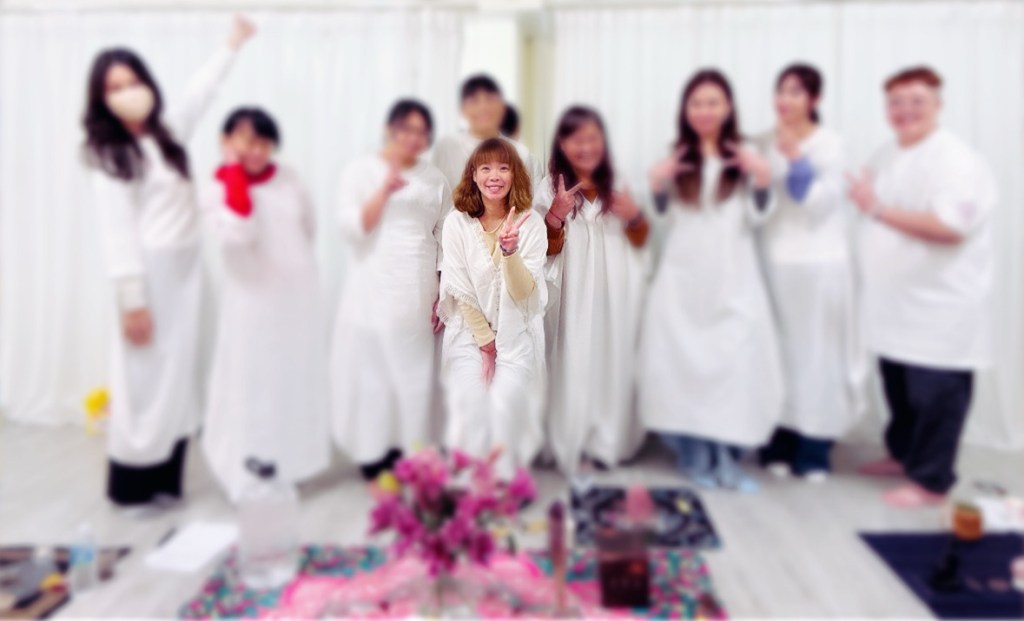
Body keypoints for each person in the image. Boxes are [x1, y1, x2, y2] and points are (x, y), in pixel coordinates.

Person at [82, 16, 254, 508]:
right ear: (102, 100)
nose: (127, 93)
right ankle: (132, 484)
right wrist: (133, 302)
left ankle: (164, 480)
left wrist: (232, 44)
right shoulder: (110, 155)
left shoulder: (166, 136)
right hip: (148, 277)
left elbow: (200, 93)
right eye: (115, 87)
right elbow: (117, 234)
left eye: (132, 81)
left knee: (177, 375)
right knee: (142, 378)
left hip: (185, 275)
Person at [848, 66, 996, 508]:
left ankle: (931, 481)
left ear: (938, 104)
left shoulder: (955, 159)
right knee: (899, 388)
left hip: (939, 306)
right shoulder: (886, 153)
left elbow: (950, 227)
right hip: (894, 304)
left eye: (917, 101)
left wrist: (876, 209)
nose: (905, 110)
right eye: (895, 101)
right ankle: (902, 454)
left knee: (935, 394)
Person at [640, 69, 783, 492]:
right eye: (696, 103)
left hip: (734, 274)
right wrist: (658, 183)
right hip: (682, 279)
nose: (704, 110)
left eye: (712, 102)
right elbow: (664, 215)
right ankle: (695, 455)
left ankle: (727, 458)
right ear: (686, 109)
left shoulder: (747, 153)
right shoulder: (676, 155)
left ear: (728, 107)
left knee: (734, 367)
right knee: (682, 367)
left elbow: (759, 215)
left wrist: (762, 178)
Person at [200, 107, 329, 502]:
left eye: (264, 141)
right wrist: (234, 173)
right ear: (227, 141)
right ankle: (249, 466)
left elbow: (308, 227)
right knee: (252, 380)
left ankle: (290, 462)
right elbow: (238, 233)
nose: (256, 149)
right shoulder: (217, 186)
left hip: (296, 297)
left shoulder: (290, 179)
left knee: (291, 377)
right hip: (251, 300)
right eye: (246, 139)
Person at [754, 64, 867, 483]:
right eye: (781, 90)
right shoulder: (765, 142)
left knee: (818, 355)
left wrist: (796, 159)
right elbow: (760, 201)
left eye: (796, 92)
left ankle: (814, 448)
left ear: (814, 99)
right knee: (779, 354)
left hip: (820, 264)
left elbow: (819, 203)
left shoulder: (830, 143)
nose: (785, 100)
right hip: (775, 262)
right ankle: (780, 439)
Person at [331, 100, 451, 481]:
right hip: (373, 280)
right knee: (374, 369)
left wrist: (443, 289)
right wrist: (384, 191)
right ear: (390, 129)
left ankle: (409, 449)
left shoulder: (435, 179)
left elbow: (445, 235)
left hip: (419, 286)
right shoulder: (360, 171)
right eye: (407, 129)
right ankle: (373, 451)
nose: (414, 138)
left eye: (422, 132)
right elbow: (353, 228)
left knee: (415, 372)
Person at [533, 106, 650, 475]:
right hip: (572, 289)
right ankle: (572, 439)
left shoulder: (621, 181)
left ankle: (606, 441)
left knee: (611, 357)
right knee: (574, 355)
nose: (585, 147)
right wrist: (555, 214)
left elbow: (642, 240)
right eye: (575, 139)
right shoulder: (549, 186)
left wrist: (634, 217)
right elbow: (540, 251)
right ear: (561, 143)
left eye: (592, 138)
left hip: (616, 290)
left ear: (603, 142)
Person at [437, 138, 547, 479]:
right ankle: (470, 485)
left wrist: (511, 252)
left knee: (503, 403)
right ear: (473, 174)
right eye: (485, 168)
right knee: (472, 399)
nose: (494, 176)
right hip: (470, 334)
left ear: (516, 175)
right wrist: (486, 346)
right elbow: (459, 288)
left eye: (503, 167)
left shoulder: (531, 224)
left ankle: (501, 484)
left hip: (517, 333)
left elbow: (524, 293)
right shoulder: (456, 223)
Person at [431, 74, 540, 190]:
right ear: (462, 110)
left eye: (490, 99)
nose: (483, 107)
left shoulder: (520, 153)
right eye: (474, 101)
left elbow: (527, 198)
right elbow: (434, 193)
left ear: (502, 107)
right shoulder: (446, 148)